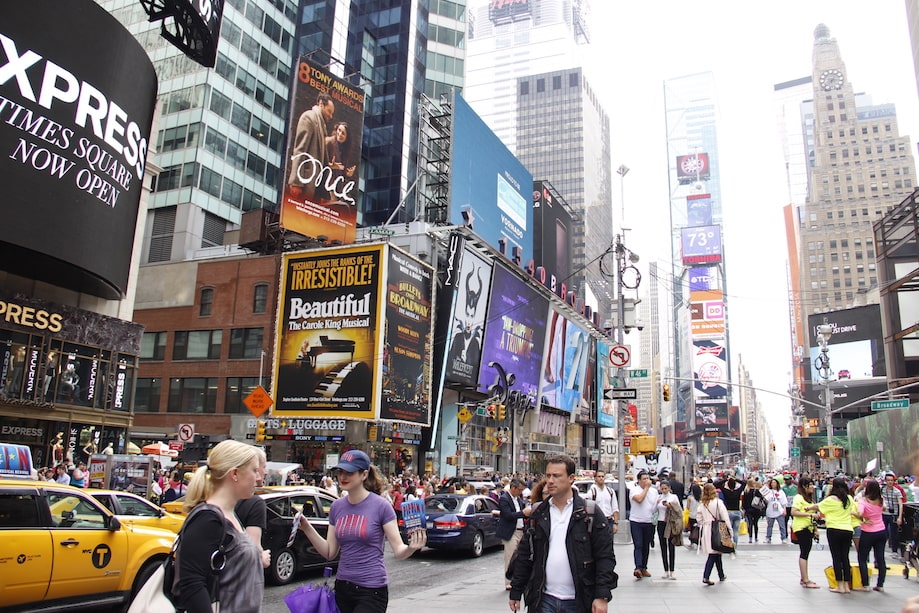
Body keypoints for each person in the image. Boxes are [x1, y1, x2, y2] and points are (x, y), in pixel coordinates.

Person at [297, 449, 425, 612]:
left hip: (371, 590)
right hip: (343, 588)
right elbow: (330, 552)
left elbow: (399, 551)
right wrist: (307, 527)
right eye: (340, 472)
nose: (342, 477)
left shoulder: (381, 506)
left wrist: (411, 548)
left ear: (364, 475)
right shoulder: (337, 507)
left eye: (349, 472)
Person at [508, 455, 616, 613]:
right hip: (543, 599)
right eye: (548, 475)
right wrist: (516, 590)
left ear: (571, 478)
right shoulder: (539, 512)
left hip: (579, 599)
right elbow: (525, 554)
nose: (550, 481)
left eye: (557, 476)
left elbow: (605, 556)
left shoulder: (589, 512)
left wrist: (602, 595)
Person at [174, 440, 264, 612]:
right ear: (235, 474)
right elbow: (191, 584)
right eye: (254, 470)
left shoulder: (229, 515)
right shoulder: (207, 518)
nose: (259, 478)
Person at [811, 476, 859, 594]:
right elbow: (854, 510)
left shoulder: (831, 499)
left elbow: (818, 506)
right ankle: (847, 586)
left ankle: (840, 585)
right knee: (845, 558)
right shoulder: (848, 498)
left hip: (834, 529)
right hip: (847, 530)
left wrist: (808, 507)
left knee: (836, 558)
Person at [287, 92, 335, 201]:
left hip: (315, 187)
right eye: (329, 111)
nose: (330, 116)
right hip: (304, 184)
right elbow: (300, 150)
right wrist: (296, 182)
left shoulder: (321, 125)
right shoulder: (309, 117)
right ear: (321, 104)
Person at [235, 447, 271, 570]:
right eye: (257, 469)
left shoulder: (208, 504)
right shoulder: (255, 504)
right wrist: (262, 557)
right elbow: (253, 551)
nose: (264, 472)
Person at [496, 478, 531, 590]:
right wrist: (522, 513)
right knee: (510, 557)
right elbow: (507, 515)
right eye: (520, 490)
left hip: (521, 530)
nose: (521, 492)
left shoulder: (518, 499)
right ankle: (509, 581)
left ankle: (518, 579)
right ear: (513, 488)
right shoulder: (504, 499)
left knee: (521, 557)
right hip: (510, 532)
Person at [856, 478, 888, 592]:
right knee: (880, 558)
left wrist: (861, 518)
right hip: (881, 531)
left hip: (868, 532)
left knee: (862, 558)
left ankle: (865, 584)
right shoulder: (881, 500)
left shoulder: (863, 500)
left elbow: (859, 513)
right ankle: (880, 584)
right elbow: (884, 508)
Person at [697, 482, 732, 585]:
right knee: (714, 554)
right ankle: (706, 576)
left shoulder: (702, 504)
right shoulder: (718, 503)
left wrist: (704, 523)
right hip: (718, 529)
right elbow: (725, 517)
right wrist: (729, 530)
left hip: (707, 529)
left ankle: (721, 575)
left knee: (716, 553)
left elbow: (699, 519)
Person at [790, 475, 820, 588]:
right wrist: (810, 514)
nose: (812, 487)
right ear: (804, 486)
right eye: (810, 484)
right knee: (804, 552)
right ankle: (805, 579)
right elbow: (793, 512)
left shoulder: (809, 498)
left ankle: (804, 578)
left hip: (809, 527)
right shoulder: (798, 498)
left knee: (806, 552)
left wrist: (816, 529)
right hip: (802, 528)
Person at [627, 470, 658, 578]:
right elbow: (639, 499)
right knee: (638, 545)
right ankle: (638, 567)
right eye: (644, 479)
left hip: (649, 521)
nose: (646, 481)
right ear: (639, 480)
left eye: (648, 478)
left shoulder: (654, 492)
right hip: (636, 521)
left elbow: (654, 508)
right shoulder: (634, 490)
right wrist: (646, 488)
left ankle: (644, 567)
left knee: (646, 546)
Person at [656, 480, 682, 579]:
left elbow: (678, 509)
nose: (664, 490)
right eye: (662, 489)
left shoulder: (673, 497)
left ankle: (672, 570)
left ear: (669, 488)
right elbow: (654, 510)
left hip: (670, 522)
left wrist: (670, 505)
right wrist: (657, 503)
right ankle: (665, 570)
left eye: (665, 488)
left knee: (671, 546)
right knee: (663, 546)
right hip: (661, 522)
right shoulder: (659, 497)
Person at [587, 472, 620, 536]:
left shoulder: (610, 491)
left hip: (609, 521)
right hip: (597, 521)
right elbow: (589, 511)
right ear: (595, 479)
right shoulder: (592, 492)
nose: (601, 478)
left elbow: (615, 508)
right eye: (599, 477)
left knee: (609, 543)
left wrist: (615, 523)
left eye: (602, 476)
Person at [881, 472, 906, 555]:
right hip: (884, 513)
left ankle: (894, 550)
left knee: (894, 532)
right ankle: (882, 548)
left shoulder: (897, 491)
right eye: (888, 480)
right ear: (885, 481)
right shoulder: (882, 489)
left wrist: (899, 517)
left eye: (891, 480)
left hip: (894, 514)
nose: (890, 482)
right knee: (883, 532)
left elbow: (900, 504)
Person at [718, 474, 744, 546]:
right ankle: (735, 544)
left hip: (728, 512)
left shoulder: (725, 491)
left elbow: (717, 484)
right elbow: (744, 483)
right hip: (737, 512)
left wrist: (726, 479)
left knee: (728, 530)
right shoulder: (738, 492)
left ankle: (728, 544)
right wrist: (736, 479)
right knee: (735, 530)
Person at [764, 478, 788, 543]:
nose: (773, 484)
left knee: (782, 525)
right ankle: (768, 537)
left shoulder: (781, 492)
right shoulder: (769, 491)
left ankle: (783, 538)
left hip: (779, 511)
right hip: (770, 510)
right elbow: (766, 500)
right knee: (769, 526)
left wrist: (784, 510)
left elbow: (784, 502)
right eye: (772, 483)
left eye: (774, 483)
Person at [742, 478, 765, 543]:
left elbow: (744, 501)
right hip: (756, 509)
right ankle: (756, 537)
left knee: (750, 523)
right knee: (755, 523)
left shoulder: (746, 491)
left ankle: (750, 537)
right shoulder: (756, 491)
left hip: (748, 509)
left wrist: (744, 509)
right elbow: (761, 498)